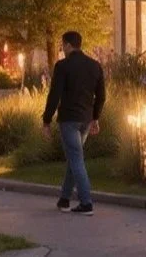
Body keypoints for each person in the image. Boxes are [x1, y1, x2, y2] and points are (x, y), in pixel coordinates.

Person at [41, 30, 106, 215]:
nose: (62, 48)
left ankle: (86, 203)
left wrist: (46, 120)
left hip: (69, 119)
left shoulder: (63, 66)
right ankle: (64, 199)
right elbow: (101, 96)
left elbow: (54, 95)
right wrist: (95, 117)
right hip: (85, 119)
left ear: (68, 45)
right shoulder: (95, 66)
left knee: (76, 159)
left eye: (62, 45)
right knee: (74, 157)